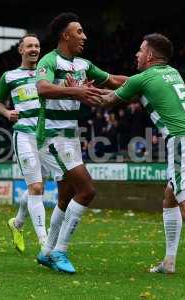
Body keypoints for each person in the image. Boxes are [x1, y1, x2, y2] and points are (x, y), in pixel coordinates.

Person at [98, 33, 185, 282]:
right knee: (169, 197)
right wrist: (100, 80)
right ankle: (169, 261)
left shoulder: (143, 79)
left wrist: (75, 91)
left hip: (182, 144)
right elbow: (128, 83)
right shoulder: (172, 73)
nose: (136, 54)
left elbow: (106, 100)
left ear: (150, 55)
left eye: (141, 50)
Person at [35, 12, 127, 274]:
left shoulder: (83, 65)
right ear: (65, 35)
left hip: (70, 137)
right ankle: (60, 252)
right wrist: (77, 90)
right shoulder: (49, 61)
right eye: (79, 32)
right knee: (86, 190)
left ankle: (46, 251)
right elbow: (42, 87)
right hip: (51, 137)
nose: (84, 37)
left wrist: (146, 82)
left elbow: (112, 81)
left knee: (65, 196)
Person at [0, 34, 53, 253]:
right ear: (21, 50)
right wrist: (7, 112)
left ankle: (17, 223)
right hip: (24, 135)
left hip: (46, 135)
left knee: (37, 186)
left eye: (37, 45)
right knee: (36, 187)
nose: (34, 49)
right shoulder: (9, 76)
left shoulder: (46, 73)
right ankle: (44, 242)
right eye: (29, 46)